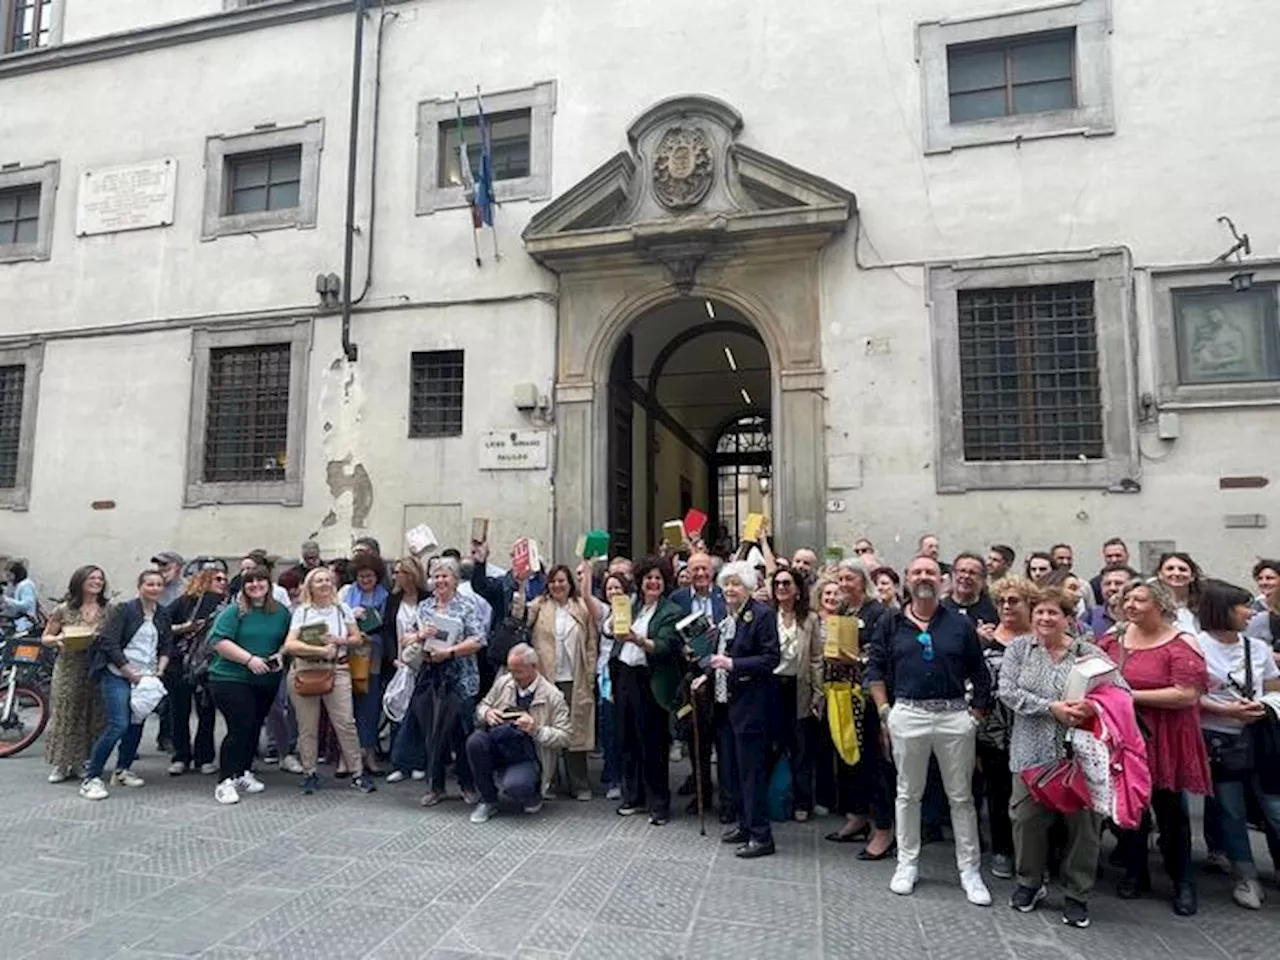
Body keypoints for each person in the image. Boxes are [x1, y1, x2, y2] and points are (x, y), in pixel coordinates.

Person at [866, 555, 993, 906]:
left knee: (961, 797)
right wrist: (885, 713)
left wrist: (976, 715)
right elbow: (875, 669)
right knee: (908, 794)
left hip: (954, 716)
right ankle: (907, 864)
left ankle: (970, 871)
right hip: (907, 714)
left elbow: (979, 673)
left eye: (931, 572)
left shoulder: (959, 624)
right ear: (907, 579)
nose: (924, 577)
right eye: (917, 572)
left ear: (943, 581)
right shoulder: (891, 622)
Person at [999, 586, 1119, 929]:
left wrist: (1090, 706)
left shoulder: (1089, 653)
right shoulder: (1020, 649)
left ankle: (1077, 894)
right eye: (1040, 612)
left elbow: (1119, 691)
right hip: (1030, 752)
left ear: (1069, 618)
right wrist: (1050, 708)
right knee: (1026, 820)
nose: (1045, 618)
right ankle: (1029, 883)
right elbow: (1007, 690)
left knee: (1083, 827)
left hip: (1079, 754)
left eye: (1054, 613)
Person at [1099, 578, 1210, 915]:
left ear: (1160, 605)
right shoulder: (1113, 640)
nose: (1130, 605)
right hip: (1124, 735)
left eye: (1140, 600)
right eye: (1127, 599)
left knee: (1171, 811)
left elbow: (1187, 693)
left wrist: (1130, 696)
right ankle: (1136, 872)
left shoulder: (1180, 642)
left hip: (1165, 734)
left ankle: (1182, 882)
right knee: (1129, 808)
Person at [1196, 579, 1280, 910]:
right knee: (1230, 809)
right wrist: (1224, 709)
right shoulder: (1196, 645)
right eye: (1242, 606)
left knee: (1273, 805)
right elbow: (1190, 695)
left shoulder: (1256, 648)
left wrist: (1264, 705)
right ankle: (1245, 875)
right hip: (1217, 736)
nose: (1250, 612)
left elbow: (1274, 686)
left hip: (1260, 735)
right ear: (1223, 610)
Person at [281, 567, 376, 795]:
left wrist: (340, 640)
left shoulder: (342, 610)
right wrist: (319, 649)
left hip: (338, 668)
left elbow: (356, 638)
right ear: (310, 586)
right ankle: (309, 772)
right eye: (318, 581)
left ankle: (357, 772)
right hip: (306, 669)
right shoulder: (302, 612)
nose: (324, 584)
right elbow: (290, 645)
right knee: (307, 726)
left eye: (327, 580)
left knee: (345, 722)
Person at [707, 561, 780, 858]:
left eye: (736, 584)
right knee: (734, 769)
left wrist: (733, 664)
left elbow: (771, 658)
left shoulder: (761, 615)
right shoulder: (730, 616)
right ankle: (745, 824)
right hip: (728, 702)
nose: (730, 589)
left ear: (748, 587)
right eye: (726, 584)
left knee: (751, 771)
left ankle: (762, 835)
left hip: (753, 703)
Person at [81, 570, 173, 801]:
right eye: (149, 584)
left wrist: (160, 670)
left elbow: (166, 644)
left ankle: (123, 769)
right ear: (140, 586)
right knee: (118, 724)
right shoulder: (125, 610)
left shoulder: (163, 614)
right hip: (118, 673)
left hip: (146, 676)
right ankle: (92, 776)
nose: (154, 588)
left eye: (158, 584)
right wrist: (127, 670)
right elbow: (108, 642)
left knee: (136, 723)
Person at [511, 562, 598, 800]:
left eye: (562, 580)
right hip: (546, 679)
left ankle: (579, 783)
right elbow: (519, 615)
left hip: (575, 677)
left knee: (575, 730)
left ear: (570, 583)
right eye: (553, 581)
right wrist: (520, 584)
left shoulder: (581, 607)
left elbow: (591, 643)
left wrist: (590, 674)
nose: (558, 585)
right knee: (547, 729)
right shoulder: (540, 605)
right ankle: (550, 781)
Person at [207, 565, 291, 805]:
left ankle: (243, 772)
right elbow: (219, 641)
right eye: (249, 582)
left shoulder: (281, 612)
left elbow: (288, 640)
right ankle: (225, 781)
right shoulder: (234, 611)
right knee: (239, 727)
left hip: (266, 680)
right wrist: (249, 659)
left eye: (260, 580)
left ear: (269, 584)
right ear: (243, 587)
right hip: (230, 678)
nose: (255, 585)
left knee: (254, 726)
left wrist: (280, 655)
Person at [408, 557, 487, 807]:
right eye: (437, 576)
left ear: (455, 579)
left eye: (446, 576)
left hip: (460, 677)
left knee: (462, 732)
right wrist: (421, 635)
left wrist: (451, 651)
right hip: (430, 677)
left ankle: (467, 784)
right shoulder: (424, 607)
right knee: (433, 731)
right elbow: (406, 639)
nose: (441, 580)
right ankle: (436, 785)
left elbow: (479, 639)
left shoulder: (466, 606)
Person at [610, 556, 682, 825]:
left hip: (650, 680)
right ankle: (634, 797)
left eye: (658, 578)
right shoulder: (632, 605)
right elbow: (611, 632)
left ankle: (659, 803)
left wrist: (637, 639)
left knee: (653, 744)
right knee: (627, 740)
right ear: (640, 582)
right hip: (625, 677)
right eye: (648, 578)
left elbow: (665, 647)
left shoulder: (670, 611)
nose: (653, 582)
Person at [468, 643, 573, 823]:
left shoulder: (552, 695)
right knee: (475, 742)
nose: (514, 677)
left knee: (516, 786)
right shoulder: (504, 682)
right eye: (511, 670)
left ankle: (532, 793)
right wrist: (487, 713)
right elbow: (483, 705)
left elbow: (565, 736)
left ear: (534, 668)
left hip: (528, 754)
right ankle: (488, 799)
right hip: (499, 743)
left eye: (519, 672)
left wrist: (536, 730)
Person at [978, 575, 1038, 881]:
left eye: (1013, 601)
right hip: (994, 730)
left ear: (1029, 604)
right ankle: (1002, 849)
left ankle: (1037, 854)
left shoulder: (1040, 639)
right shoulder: (985, 637)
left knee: (1034, 797)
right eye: (1001, 601)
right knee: (998, 792)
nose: (1006, 606)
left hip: (1033, 728)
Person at [40, 566, 109, 783]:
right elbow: (46, 637)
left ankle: (81, 762)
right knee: (66, 713)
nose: (97, 582)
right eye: (92, 578)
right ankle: (61, 763)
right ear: (80, 581)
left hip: (96, 667)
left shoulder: (109, 609)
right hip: (69, 666)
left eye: (100, 579)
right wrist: (59, 640)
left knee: (91, 714)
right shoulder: (64, 609)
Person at [670, 552, 728, 811]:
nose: (700, 574)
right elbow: (671, 636)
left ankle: (728, 798)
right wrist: (681, 650)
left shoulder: (725, 596)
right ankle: (702, 794)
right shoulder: (678, 599)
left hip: (723, 675)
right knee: (697, 739)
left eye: (704, 569)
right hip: (691, 675)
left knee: (723, 739)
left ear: (712, 571)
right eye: (695, 570)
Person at [769, 567, 822, 821]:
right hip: (771, 687)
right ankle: (772, 799)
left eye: (787, 583)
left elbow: (816, 659)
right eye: (777, 583)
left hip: (799, 687)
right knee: (772, 744)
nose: (781, 587)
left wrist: (817, 693)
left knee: (801, 747)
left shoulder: (810, 619)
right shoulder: (767, 616)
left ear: (797, 588)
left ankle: (802, 801)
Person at [164, 566, 226, 776]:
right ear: (205, 580)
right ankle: (180, 756)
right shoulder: (183, 602)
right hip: (179, 663)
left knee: (206, 711)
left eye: (224, 579)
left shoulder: (224, 605)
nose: (222, 582)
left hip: (206, 664)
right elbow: (162, 625)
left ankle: (204, 756)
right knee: (178, 712)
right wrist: (186, 627)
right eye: (218, 578)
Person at [339, 553, 390, 776]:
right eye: (361, 576)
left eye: (369, 576)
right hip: (348, 654)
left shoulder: (385, 596)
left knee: (369, 706)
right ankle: (345, 756)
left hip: (374, 656)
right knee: (345, 706)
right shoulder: (347, 594)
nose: (365, 580)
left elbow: (388, 627)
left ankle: (369, 753)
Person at [584, 568, 631, 801]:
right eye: (609, 588)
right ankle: (612, 775)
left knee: (626, 727)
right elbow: (586, 598)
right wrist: (587, 567)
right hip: (606, 676)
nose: (613, 591)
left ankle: (627, 775)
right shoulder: (604, 612)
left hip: (628, 672)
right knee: (608, 727)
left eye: (617, 587)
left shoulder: (634, 609)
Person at [385, 556, 428, 783]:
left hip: (421, 663)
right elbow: (388, 631)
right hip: (399, 663)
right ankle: (400, 762)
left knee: (420, 713)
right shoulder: (393, 600)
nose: (395, 576)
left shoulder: (427, 599)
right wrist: (393, 657)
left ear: (410, 575)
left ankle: (420, 761)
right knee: (397, 710)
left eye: (400, 572)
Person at [943, 553, 999, 632]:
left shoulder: (993, 611)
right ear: (953, 575)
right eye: (962, 571)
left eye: (972, 573)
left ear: (983, 579)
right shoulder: (938, 608)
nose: (966, 576)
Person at [1156, 551, 1203, 634]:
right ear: (1160, 574)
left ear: (1192, 576)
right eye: (1170, 569)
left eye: (1182, 569)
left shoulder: (1204, 605)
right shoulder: (1152, 607)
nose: (1177, 573)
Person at [1085, 566, 1137, 639]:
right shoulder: (1091, 615)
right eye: (1107, 584)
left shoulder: (1141, 615)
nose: (1112, 588)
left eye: (1118, 583)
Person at [1089, 538, 1131, 604]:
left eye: (1118, 555)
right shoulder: (1095, 584)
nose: (1114, 560)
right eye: (1109, 556)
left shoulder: (1139, 580)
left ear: (1127, 556)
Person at [2, 560, 39, 633]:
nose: (7, 578)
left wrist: (6, 600)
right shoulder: (15, 586)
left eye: (9, 575)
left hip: (25, 623)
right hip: (16, 622)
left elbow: (26, 605)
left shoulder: (25, 585)